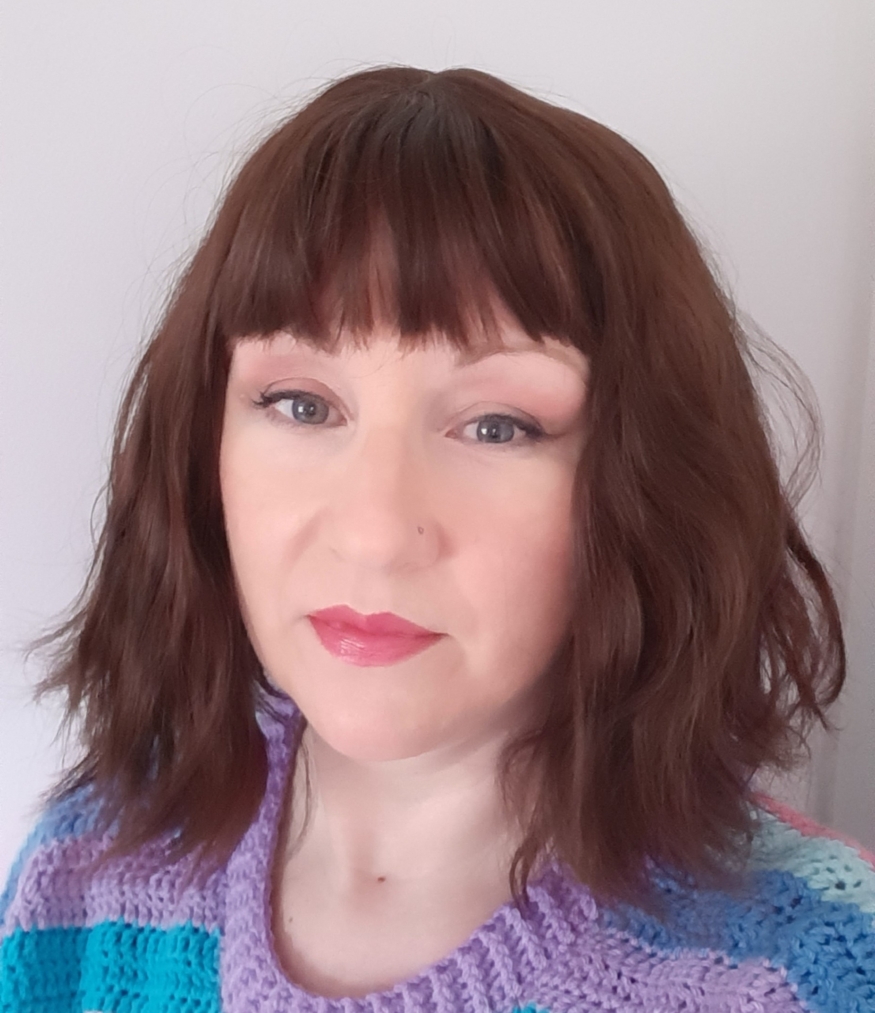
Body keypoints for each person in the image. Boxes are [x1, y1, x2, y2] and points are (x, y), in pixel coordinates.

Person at [1, 65, 873, 1013]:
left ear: (648, 482)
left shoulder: (810, 971)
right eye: (301, 404)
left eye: (497, 426)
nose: (374, 534)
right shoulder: (84, 871)